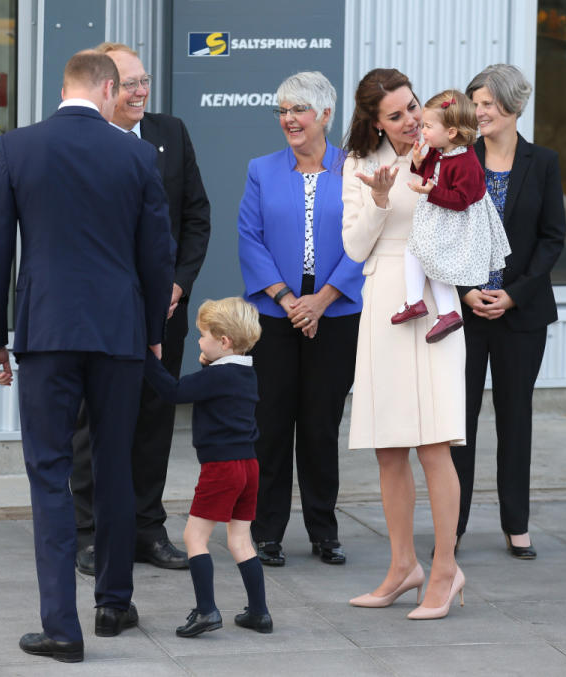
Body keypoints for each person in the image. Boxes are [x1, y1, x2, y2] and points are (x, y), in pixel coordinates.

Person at [0, 51, 175, 662]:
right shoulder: (137, 153)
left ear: (63, 88)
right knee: (115, 465)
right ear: (109, 89)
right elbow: (156, 254)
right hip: (117, 333)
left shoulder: (17, 148)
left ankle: (61, 627)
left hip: (47, 331)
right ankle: (114, 603)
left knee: (49, 474)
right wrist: (151, 333)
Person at [70, 42, 211, 576]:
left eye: (144, 80)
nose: (141, 91)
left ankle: (147, 528)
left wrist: (176, 285)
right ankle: (88, 532)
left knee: (155, 418)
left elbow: (195, 216)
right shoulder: (84, 140)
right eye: (129, 83)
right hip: (101, 311)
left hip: (162, 311)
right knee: (91, 422)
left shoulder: (169, 133)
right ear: (105, 86)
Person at [342, 68, 465, 620]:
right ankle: (402, 566)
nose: (411, 119)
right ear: (374, 122)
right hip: (384, 299)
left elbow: (467, 219)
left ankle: (445, 571)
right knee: (390, 447)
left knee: (433, 443)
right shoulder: (357, 167)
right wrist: (382, 198)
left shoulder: (449, 148)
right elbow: (355, 246)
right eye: (396, 114)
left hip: (434, 300)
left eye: (413, 106)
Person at [237, 71, 363, 567]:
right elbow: (249, 237)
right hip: (275, 316)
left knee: (320, 425)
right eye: (282, 111)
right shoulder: (261, 170)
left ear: (325, 115)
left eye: (298, 110)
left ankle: (323, 529)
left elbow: (365, 240)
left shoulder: (355, 168)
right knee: (270, 424)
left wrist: (321, 300)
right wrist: (290, 300)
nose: (288, 120)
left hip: (335, 316)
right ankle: (266, 531)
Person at [452, 64, 566, 560]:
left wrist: (515, 293)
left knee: (515, 417)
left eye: (487, 104)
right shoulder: (457, 159)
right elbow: (440, 234)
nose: (479, 112)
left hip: (522, 313)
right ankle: (451, 525)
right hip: (467, 313)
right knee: (460, 422)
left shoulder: (543, 163)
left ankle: (515, 524)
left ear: (513, 106)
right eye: (475, 103)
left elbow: (552, 237)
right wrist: (466, 290)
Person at [143, 297, 272, 638]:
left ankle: (206, 611)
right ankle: (259, 612)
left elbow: (174, 391)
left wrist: (145, 355)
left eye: (202, 336)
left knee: (194, 537)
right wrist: (206, 363)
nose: (198, 342)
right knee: (241, 541)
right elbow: (215, 394)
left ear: (224, 341)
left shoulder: (219, 375)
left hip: (221, 468)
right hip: (248, 466)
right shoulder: (245, 372)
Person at [394, 88, 510, 344]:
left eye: (428, 126)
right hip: (439, 218)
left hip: (456, 223)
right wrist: (418, 162)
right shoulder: (439, 149)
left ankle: (435, 308)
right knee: (419, 254)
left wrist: (431, 191)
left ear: (452, 132)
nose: (422, 130)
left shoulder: (467, 163)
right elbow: (430, 172)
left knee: (431, 260)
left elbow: (461, 201)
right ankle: (431, 307)